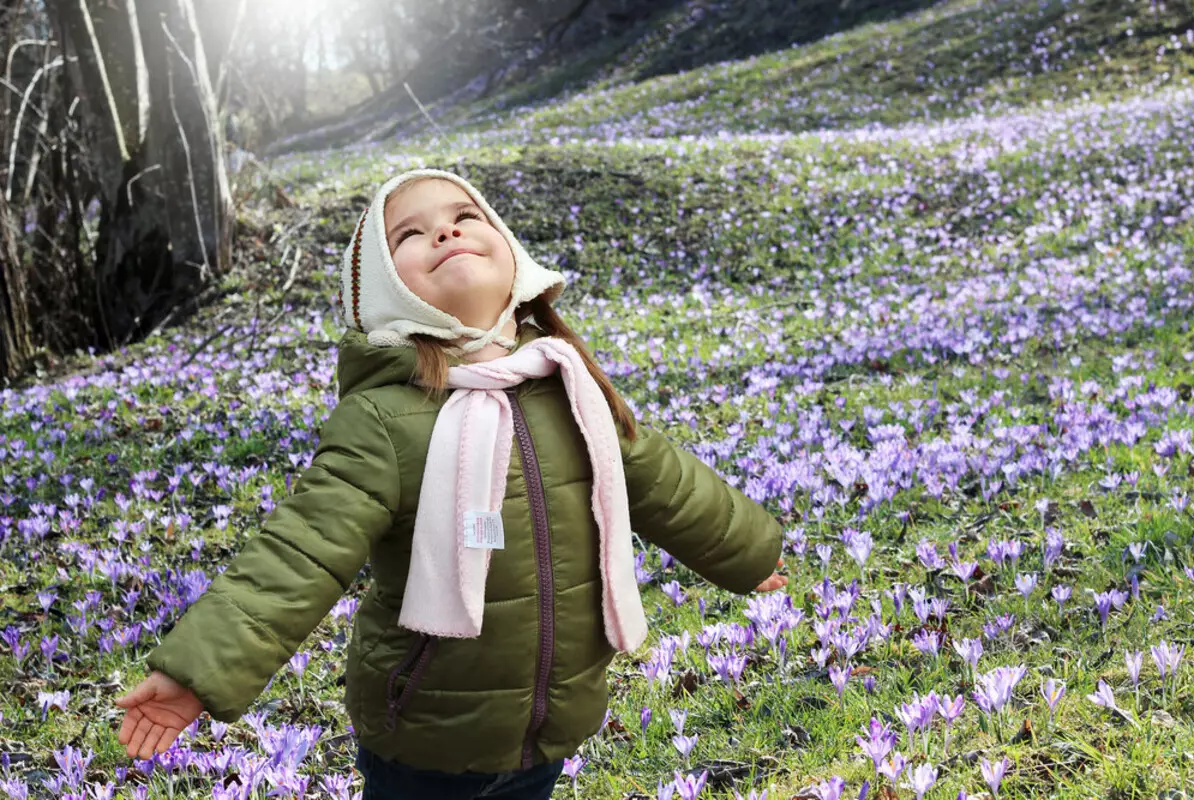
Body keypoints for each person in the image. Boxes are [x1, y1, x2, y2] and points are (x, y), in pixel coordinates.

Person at [113, 168, 788, 799]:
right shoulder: (384, 417)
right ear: (382, 290)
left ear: (511, 256)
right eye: (410, 234)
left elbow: (659, 477)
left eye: (466, 216)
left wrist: (748, 551)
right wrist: (197, 674)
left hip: (548, 724)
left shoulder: (567, 383)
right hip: (424, 734)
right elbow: (301, 551)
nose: (446, 232)